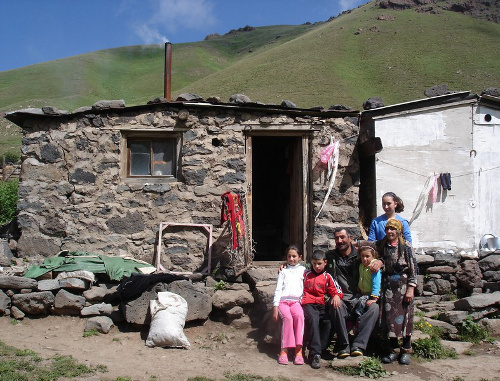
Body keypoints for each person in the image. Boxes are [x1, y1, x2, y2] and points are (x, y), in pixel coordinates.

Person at [362, 218, 417, 365]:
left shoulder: (406, 247)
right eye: (388, 229)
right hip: (388, 288)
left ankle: (406, 349)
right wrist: (379, 260)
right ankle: (393, 349)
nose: (390, 232)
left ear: (398, 230)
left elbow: (413, 269)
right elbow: (370, 249)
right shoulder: (382, 244)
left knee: (405, 317)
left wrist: (411, 288)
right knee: (390, 319)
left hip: (403, 286)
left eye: (393, 229)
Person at [327, 228, 382, 359]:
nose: (339, 241)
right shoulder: (330, 256)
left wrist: (381, 262)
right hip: (340, 297)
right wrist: (287, 265)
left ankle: (358, 345)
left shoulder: (360, 256)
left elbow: (375, 256)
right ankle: (344, 344)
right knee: (336, 305)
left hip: (359, 297)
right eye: (337, 238)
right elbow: (314, 264)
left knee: (374, 308)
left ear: (350, 238)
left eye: (342, 237)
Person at [302, 250, 343, 369]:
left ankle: (321, 349)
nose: (317, 266)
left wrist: (336, 296)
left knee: (327, 322)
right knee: (313, 320)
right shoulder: (306, 274)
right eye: (314, 263)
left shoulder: (327, 276)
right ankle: (315, 353)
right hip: (308, 303)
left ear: (325, 263)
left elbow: (337, 290)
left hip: (321, 304)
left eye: (319, 263)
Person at [272, 245, 306, 365]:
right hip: (283, 302)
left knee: (299, 317)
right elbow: (278, 289)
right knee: (288, 318)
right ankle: (284, 351)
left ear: (300, 257)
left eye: (294, 256)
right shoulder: (283, 271)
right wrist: (275, 307)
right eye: (289, 256)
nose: (291, 259)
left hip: (296, 302)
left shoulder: (303, 270)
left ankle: (298, 350)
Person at [350, 246, 381, 322]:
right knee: (353, 302)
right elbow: (362, 278)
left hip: (371, 294)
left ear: (373, 256)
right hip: (363, 292)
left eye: (367, 256)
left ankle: (358, 320)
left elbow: (376, 283)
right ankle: (351, 319)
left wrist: (374, 298)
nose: (364, 259)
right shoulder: (361, 266)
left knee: (361, 302)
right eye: (362, 256)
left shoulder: (373, 267)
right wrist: (359, 286)